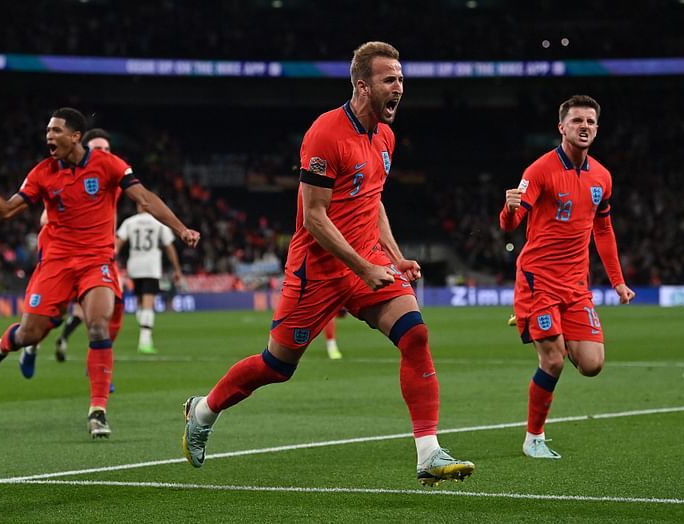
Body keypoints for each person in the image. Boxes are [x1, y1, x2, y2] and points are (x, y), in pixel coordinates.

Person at [182, 42, 474, 486]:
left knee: (415, 334)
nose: (399, 87)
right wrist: (362, 266)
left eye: (401, 79)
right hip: (316, 271)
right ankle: (203, 411)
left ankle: (429, 452)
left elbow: (372, 200)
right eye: (389, 79)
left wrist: (393, 256)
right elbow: (314, 217)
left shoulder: (386, 137)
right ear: (362, 85)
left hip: (366, 262)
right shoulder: (325, 134)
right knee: (276, 367)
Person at [0, 108, 200, 439]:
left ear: (75, 136)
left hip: (96, 260)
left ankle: (97, 411)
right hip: (57, 263)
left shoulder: (108, 166)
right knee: (31, 333)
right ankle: (3, 347)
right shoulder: (43, 172)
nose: (49, 136)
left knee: (98, 325)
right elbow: (4, 211)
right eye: (47, 130)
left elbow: (144, 197)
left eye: (56, 130)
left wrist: (181, 228)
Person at [499, 95, 636, 459]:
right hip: (538, 279)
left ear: (597, 128)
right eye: (577, 121)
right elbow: (513, 221)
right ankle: (534, 438)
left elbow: (603, 231)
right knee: (554, 360)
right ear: (562, 127)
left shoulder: (602, 177)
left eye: (590, 121)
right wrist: (508, 211)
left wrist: (617, 281)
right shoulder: (539, 170)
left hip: (576, 286)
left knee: (592, 365)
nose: (584, 127)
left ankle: (542, 327)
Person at [52, 128, 114, 362]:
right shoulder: (69, 178)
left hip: (100, 257)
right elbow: (48, 217)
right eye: (99, 150)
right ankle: (31, 342)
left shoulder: (114, 178)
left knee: (96, 316)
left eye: (108, 150)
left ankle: (99, 372)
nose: (105, 154)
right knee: (56, 314)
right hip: (71, 258)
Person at [116, 202, 184, 354]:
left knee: (140, 304)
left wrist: (112, 260)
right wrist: (177, 268)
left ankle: (144, 335)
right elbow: (169, 246)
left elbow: (118, 244)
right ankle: (145, 341)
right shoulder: (159, 222)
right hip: (151, 267)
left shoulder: (129, 222)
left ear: (139, 207)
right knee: (148, 305)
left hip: (134, 266)